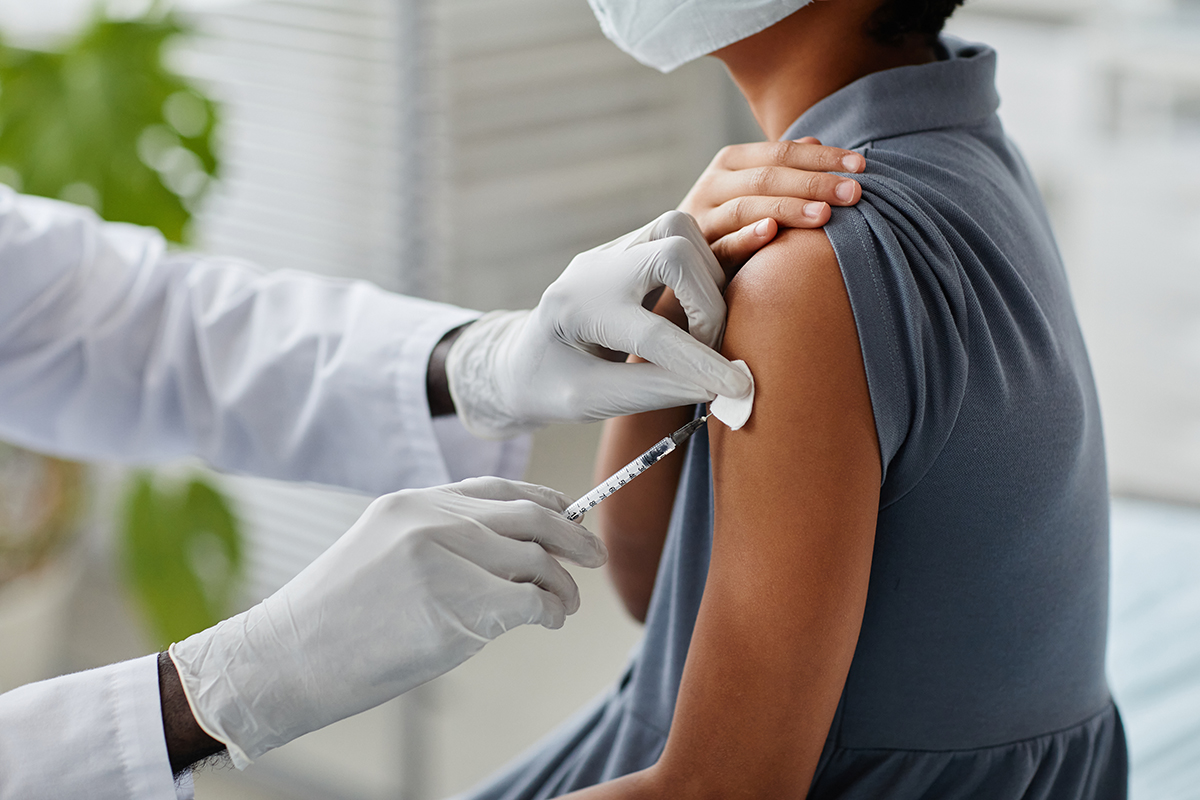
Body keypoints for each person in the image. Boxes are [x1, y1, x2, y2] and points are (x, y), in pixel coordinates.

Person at [0, 122, 865, 799]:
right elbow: (657, 591)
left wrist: (482, 362)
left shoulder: (816, 275)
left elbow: (134, 325)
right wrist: (203, 698)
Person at [452, 1, 1127, 799]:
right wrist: (662, 310)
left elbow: (722, 788)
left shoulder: (813, 269)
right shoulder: (958, 139)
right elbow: (652, 583)